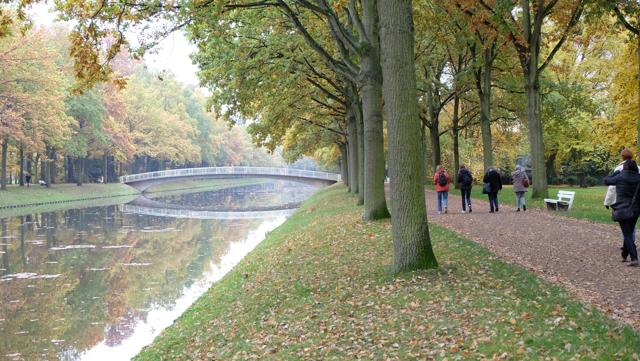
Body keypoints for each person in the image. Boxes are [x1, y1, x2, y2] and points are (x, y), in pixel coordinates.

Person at [605, 159, 640, 267]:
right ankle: (624, 254)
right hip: (635, 209)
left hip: (623, 208)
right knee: (629, 231)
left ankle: (634, 257)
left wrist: (615, 172)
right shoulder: (639, 178)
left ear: (625, 167)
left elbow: (607, 181)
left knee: (627, 234)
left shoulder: (620, 176)